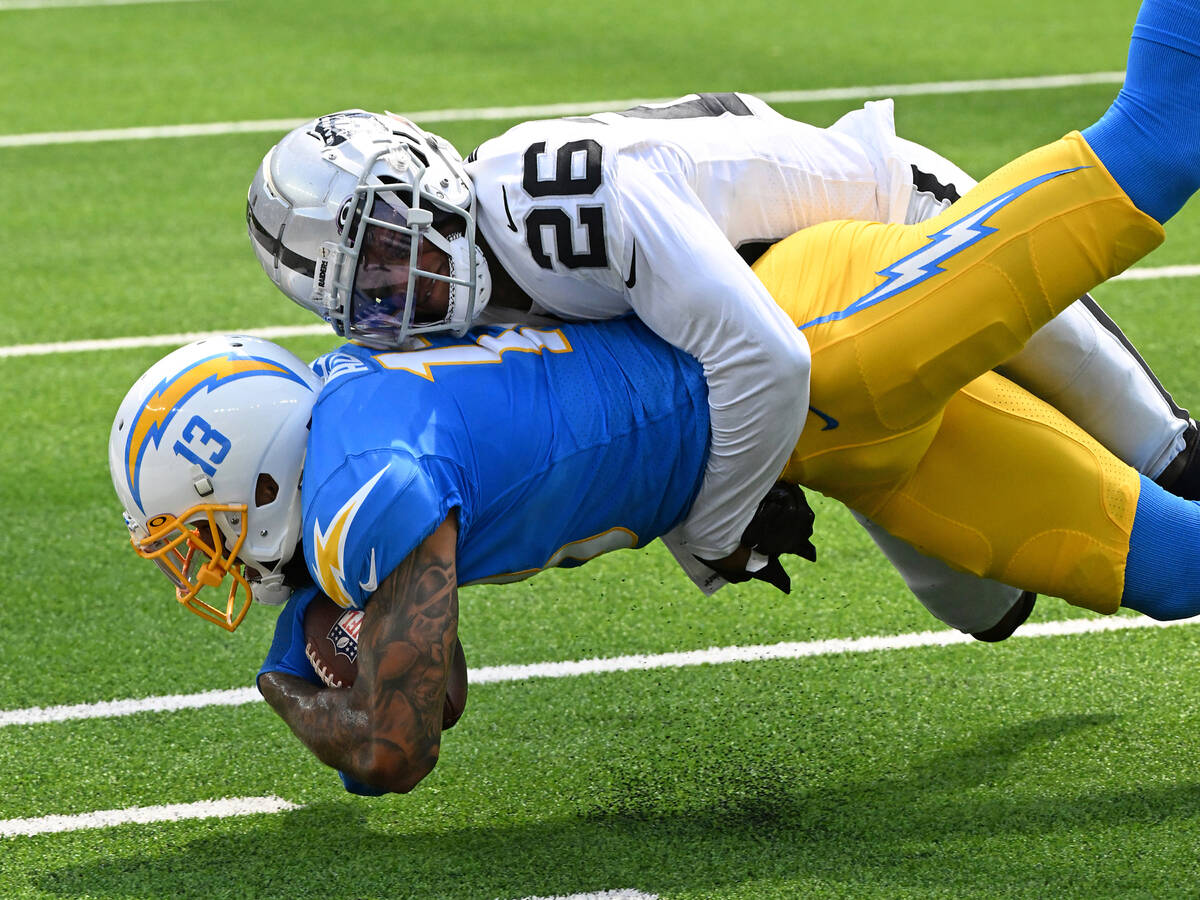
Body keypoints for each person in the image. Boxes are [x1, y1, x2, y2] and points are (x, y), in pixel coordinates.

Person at [245, 93, 1199, 641]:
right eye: (361, 292)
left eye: (384, 244)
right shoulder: (459, 313)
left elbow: (761, 357)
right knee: (987, 607)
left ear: (424, 176)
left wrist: (713, 533)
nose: (394, 287)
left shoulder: (544, 201)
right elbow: (632, 410)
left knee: (1162, 452)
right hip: (809, 379)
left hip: (891, 235)